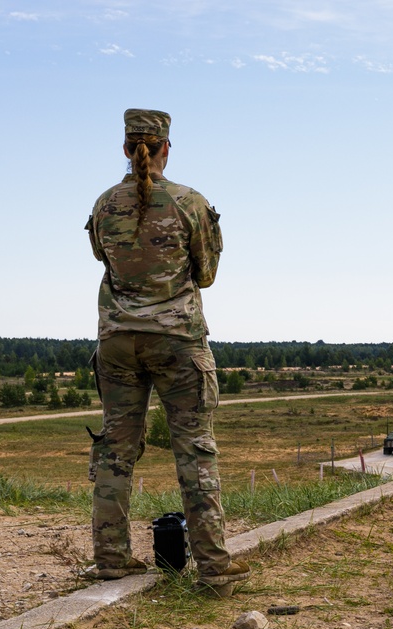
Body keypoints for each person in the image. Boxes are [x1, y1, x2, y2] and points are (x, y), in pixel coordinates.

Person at [84, 108, 250, 596]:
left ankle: (111, 558)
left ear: (126, 147)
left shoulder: (103, 204)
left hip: (116, 340)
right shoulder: (188, 202)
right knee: (194, 449)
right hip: (177, 340)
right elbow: (205, 274)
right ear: (165, 148)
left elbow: (102, 257)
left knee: (116, 449)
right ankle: (215, 568)